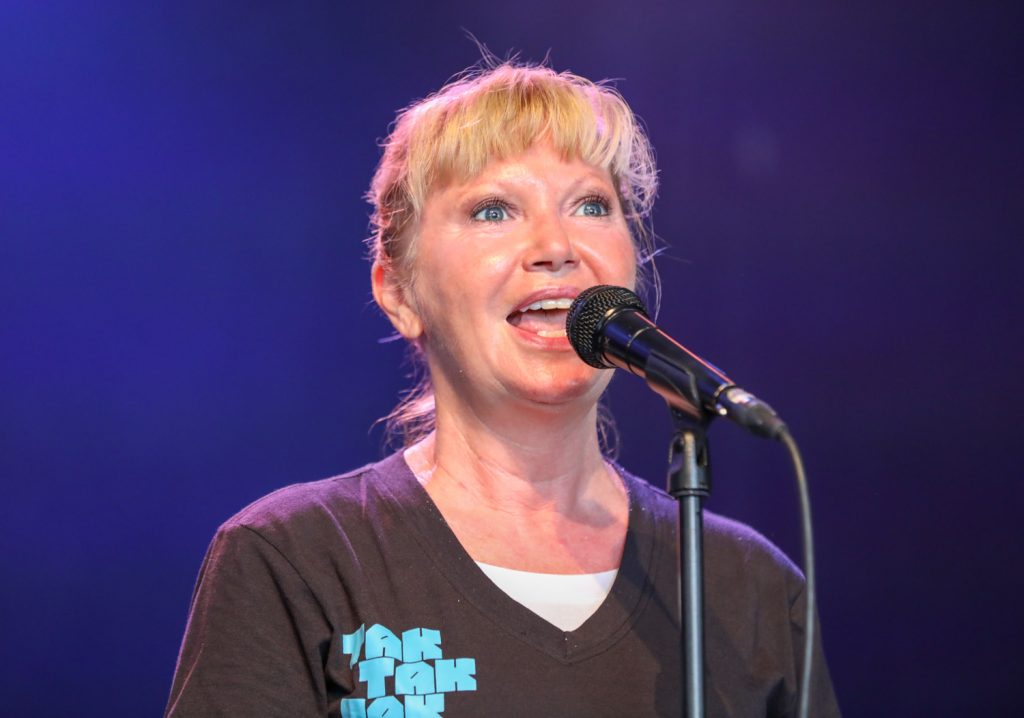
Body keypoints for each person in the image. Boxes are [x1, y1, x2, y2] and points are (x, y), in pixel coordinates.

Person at [165, 61, 840, 717]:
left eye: (591, 205)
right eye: (494, 210)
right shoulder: (298, 560)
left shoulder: (748, 586)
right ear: (399, 293)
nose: (556, 246)